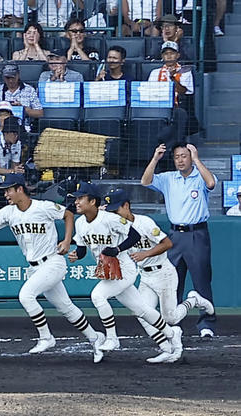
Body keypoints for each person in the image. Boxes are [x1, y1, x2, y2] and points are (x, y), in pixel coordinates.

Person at [0, 171, 106, 358]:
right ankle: (95, 337)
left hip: (52, 262)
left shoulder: (43, 207)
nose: (5, 195)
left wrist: (67, 240)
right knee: (66, 307)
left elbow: (68, 214)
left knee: (26, 296)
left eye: (8, 191)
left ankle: (46, 337)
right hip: (34, 267)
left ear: (19, 189)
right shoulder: (7, 212)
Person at [70, 183, 182, 363]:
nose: (76, 202)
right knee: (142, 310)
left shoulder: (108, 218)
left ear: (92, 201)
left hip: (125, 268)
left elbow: (135, 235)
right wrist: (77, 255)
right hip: (110, 270)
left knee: (98, 296)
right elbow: (82, 248)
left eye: (80, 198)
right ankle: (171, 335)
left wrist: (118, 248)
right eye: (76, 198)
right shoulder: (80, 223)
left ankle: (112, 338)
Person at [112, 191, 215, 340]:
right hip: (146, 276)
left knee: (171, 318)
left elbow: (167, 243)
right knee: (141, 312)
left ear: (126, 206)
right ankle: (167, 345)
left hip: (163, 274)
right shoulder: (119, 227)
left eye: (117, 210)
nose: (115, 215)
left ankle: (193, 300)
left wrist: (146, 254)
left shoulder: (144, 222)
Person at [142, 142, 218, 337]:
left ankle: (206, 325)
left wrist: (197, 159)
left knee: (201, 279)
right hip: (174, 235)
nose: (180, 160)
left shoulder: (199, 176)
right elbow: (146, 181)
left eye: (184, 156)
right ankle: (174, 323)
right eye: (177, 157)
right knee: (172, 280)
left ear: (190, 157)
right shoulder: (168, 178)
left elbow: (211, 183)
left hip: (197, 234)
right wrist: (155, 159)